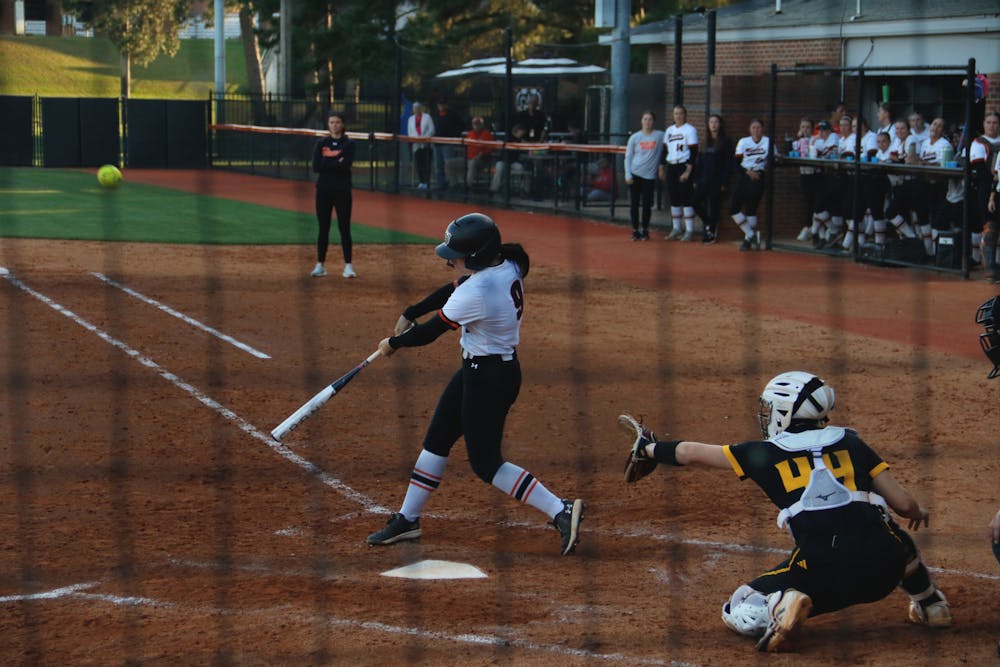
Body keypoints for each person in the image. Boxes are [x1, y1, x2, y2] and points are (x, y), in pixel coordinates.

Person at [618, 370, 951, 653]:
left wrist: (648, 448)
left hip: (825, 573)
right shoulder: (851, 442)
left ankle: (780, 604)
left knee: (738, 604)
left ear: (784, 412)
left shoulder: (763, 453)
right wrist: (918, 509)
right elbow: (903, 504)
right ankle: (931, 605)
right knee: (895, 538)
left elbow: (691, 453)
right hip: (884, 570)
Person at [367, 213, 584, 555]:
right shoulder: (506, 263)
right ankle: (408, 520)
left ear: (475, 257)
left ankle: (561, 510)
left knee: (486, 463)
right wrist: (412, 310)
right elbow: (451, 291)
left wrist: (394, 344)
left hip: (489, 378)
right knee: (437, 441)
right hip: (481, 370)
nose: (450, 261)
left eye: (456, 255)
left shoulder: (481, 289)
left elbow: (430, 333)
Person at [310, 111, 356, 278]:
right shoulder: (321, 142)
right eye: (331, 122)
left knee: (344, 227)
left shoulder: (349, 144)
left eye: (337, 122)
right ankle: (320, 264)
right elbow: (316, 166)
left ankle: (348, 266)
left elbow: (345, 165)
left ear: (342, 124)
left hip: (342, 190)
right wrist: (336, 161)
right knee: (323, 228)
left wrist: (328, 162)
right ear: (328, 125)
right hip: (323, 190)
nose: (334, 125)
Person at [624, 110, 665, 241]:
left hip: (650, 176)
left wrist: (662, 166)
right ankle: (635, 230)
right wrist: (627, 174)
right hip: (635, 173)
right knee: (634, 203)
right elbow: (628, 157)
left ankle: (645, 229)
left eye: (650, 119)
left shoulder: (659, 136)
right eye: (645, 119)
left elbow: (672, 140)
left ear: (654, 122)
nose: (648, 122)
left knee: (647, 204)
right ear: (641, 121)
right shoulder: (635, 137)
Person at [692, 113, 733, 244]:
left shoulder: (726, 142)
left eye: (716, 122)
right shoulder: (705, 142)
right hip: (704, 179)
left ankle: (710, 233)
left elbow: (728, 163)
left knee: (714, 207)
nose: (713, 125)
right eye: (711, 122)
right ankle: (708, 222)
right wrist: (696, 179)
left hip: (717, 180)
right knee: (695, 202)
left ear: (720, 124)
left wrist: (724, 182)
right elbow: (699, 162)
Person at [730, 118, 771, 251]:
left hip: (759, 176)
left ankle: (748, 240)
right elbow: (736, 163)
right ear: (749, 129)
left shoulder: (768, 141)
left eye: (758, 127)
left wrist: (761, 171)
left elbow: (773, 160)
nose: (756, 130)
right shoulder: (743, 142)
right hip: (744, 175)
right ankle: (751, 234)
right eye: (753, 127)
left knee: (751, 209)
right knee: (734, 208)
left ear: (762, 129)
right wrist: (748, 172)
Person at [662, 105, 700, 241]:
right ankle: (676, 228)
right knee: (674, 197)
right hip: (671, 165)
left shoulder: (690, 130)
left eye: (680, 113)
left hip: (683, 165)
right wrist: (662, 167)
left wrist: (688, 170)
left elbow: (694, 152)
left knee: (686, 197)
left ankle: (689, 230)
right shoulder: (669, 131)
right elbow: (665, 150)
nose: (678, 116)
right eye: (676, 113)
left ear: (685, 115)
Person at [971, 111, 1000, 281]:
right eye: (988, 122)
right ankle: (989, 267)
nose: (992, 125)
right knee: (990, 227)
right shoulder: (978, 143)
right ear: (984, 124)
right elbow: (980, 172)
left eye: (995, 122)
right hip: (986, 189)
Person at [793, 117, 819, 242]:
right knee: (806, 202)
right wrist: (799, 139)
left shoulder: (815, 140)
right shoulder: (798, 141)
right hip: (803, 174)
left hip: (814, 175)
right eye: (803, 127)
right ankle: (809, 228)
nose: (805, 130)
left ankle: (812, 229)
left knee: (813, 203)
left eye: (808, 127)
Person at [433, 97, 465, 191]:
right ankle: (441, 184)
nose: (441, 106)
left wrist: (454, 136)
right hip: (437, 143)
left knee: (449, 164)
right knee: (438, 165)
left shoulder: (452, 114)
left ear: (446, 105)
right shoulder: (435, 114)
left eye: (443, 104)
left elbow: (462, 125)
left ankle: (451, 183)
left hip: (447, 143)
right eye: (439, 104)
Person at [490, 123, 529, 194]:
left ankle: (521, 190)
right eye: (521, 131)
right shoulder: (508, 137)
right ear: (517, 130)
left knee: (521, 168)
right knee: (499, 168)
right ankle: (494, 189)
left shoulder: (520, 140)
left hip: (513, 162)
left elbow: (526, 144)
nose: (522, 133)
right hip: (503, 161)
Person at [407, 102, 435, 190]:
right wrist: (415, 139)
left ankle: (427, 182)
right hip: (416, 144)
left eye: (418, 108)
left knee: (426, 163)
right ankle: (421, 182)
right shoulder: (410, 119)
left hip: (427, 144)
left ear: (421, 109)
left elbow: (432, 129)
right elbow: (410, 132)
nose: (416, 110)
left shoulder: (427, 117)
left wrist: (423, 138)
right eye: (414, 108)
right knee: (419, 163)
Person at [464, 116, 496, 187]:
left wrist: (480, 154)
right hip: (467, 159)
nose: (476, 126)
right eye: (474, 124)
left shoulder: (487, 134)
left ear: (482, 125)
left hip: (482, 161)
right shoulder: (469, 134)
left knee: (472, 163)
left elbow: (490, 149)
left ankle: (467, 187)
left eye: (478, 124)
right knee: (450, 164)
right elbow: (465, 147)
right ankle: (456, 185)